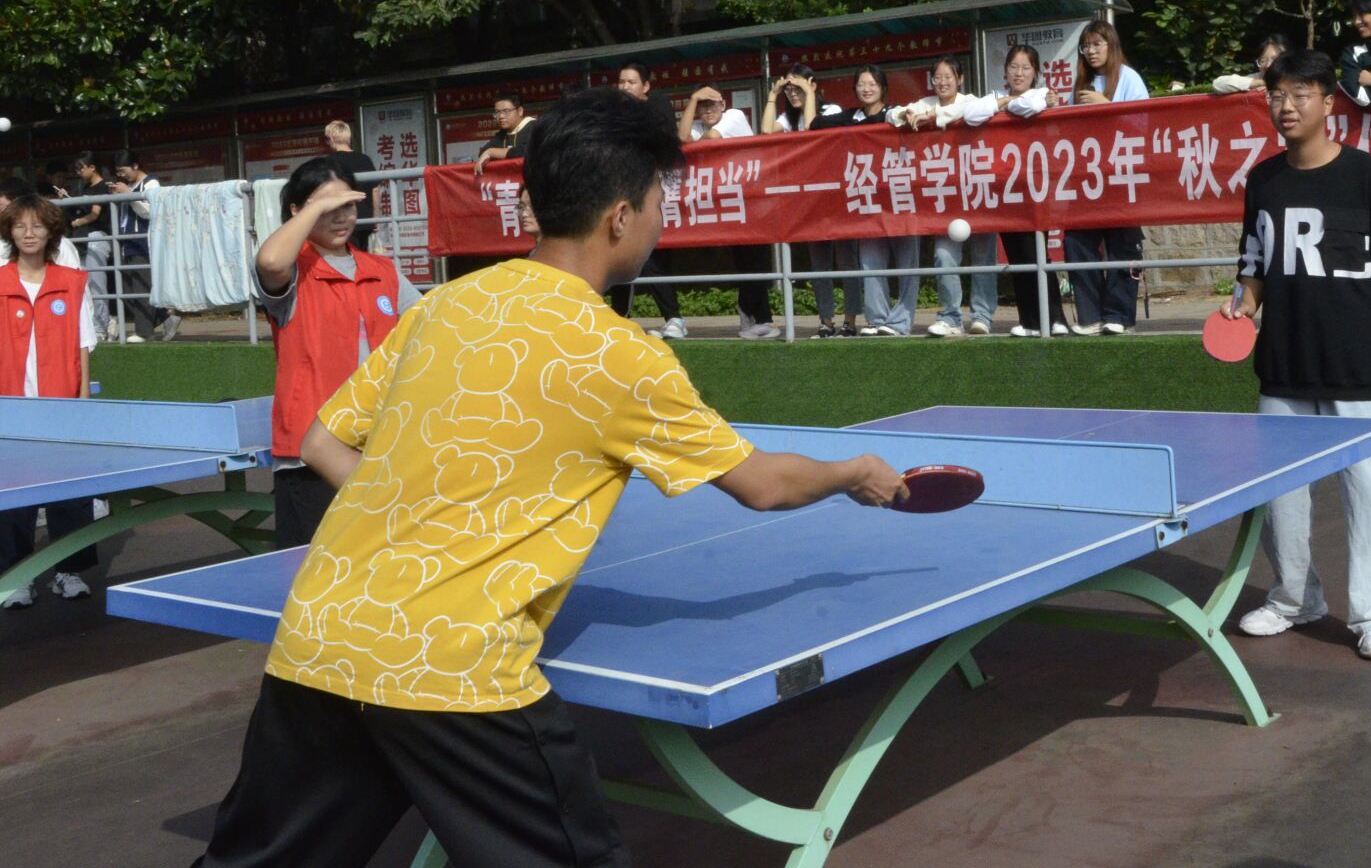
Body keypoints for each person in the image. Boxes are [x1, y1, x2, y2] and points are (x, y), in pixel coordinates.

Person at [192, 88, 908, 867]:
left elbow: (323, 439)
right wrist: (854, 470)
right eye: (658, 202)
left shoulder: (444, 306)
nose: (661, 220)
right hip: (455, 668)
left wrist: (416, 515)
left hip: (320, 635)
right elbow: (763, 484)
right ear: (620, 217)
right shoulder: (620, 356)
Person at [1223, 49, 1371, 662]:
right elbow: (1254, 265)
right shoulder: (1263, 181)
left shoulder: (1368, 178)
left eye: (1299, 95)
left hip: (1361, 371)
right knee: (1280, 501)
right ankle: (1294, 599)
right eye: (1276, 95)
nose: (1285, 106)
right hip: (1283, 371)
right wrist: (1241, 307)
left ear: (1329, 103)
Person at [254, 155, 423, 549]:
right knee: (312, 569)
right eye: (327, 207)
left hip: (379, 447)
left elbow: (429, 328)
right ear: (297, 211)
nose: (341, 216)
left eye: (347, 205)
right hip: (310, 456)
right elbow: (271, 260)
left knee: (378, 561)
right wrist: (315, 209)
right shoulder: (293, 271)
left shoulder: (383, 270)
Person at [0, 193, 100, 609]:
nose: (28, 233)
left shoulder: (71, 283)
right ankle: (16, 575)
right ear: (10, 233)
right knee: (12, 495)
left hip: (62, 406)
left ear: (51, 232)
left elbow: (83, 344)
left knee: (69, 491)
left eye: (37, 226)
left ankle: (68, 571)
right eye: (20, 226)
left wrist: (83, 400)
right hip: (10, 407)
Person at [966, 44, 1067, 336]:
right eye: (1013, 67)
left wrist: (1006, 105)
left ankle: (1056, 319)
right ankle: (1030, 322)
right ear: (1005, 71)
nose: (1019, 73)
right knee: (1017, 258)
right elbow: (971, 114)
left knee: (1038, 255)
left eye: (1025, 68)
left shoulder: (1041, 93)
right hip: (1005, 191)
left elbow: (1030, 107)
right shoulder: (995, 96)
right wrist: (1004, 102)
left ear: (1035, 72)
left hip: (1035, 189)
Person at [893, 56, 995, 336]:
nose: (942, 82)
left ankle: (982, 316)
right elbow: (893, 114)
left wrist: (932, 117)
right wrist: (905, 115)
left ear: (960, 79)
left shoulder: (971, 101)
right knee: (943, 256)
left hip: (976, 189)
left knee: (983, 257)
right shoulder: (924, 103)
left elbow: (968, 111)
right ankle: (951, 317)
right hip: (945, 196)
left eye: (948, 76)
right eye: (937, 77)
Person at [1065, 20, 1150, 335]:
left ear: (1110, 45)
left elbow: (1143, 124)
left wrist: (1108, 106)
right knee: (1076, 242)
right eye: (1086, 46)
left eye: (1097, 44)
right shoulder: (1081, 84)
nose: (1090, 51)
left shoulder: (1129, 78)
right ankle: (1089, 316)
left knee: (1123, 244)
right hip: (1087, 177)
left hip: (1121, 175)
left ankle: (1119, 315)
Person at [679, 86, 778, 340]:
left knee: (757, 260)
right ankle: (756, 317)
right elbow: (682, 137)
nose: (708, 110)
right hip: (727, 205)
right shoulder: (697, 126)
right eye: (703, 106)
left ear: (723, 105)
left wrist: (694, 145)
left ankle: (758, 317)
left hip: (753, 201)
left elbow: (711, 138)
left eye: (712, 104)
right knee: (744, 261)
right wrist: (693, 98)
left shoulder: (734, 115)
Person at [763, 65, 851, 338]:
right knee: (819, 264)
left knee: (847, 261)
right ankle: (826, 322)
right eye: (789, 90)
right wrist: (773, 94)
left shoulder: (832, 110)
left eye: (797, 88)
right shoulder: (789, 118)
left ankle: (850, 321)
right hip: (809, 201)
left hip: (837, 197)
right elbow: (766, 132)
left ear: (812, 85)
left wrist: (808, 93)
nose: (792, 94)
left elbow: (814, 129)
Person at [811, 64, 895, 337]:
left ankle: (896, 321)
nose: (866, 89)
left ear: (883, 87)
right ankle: (870, 320)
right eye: (861, 84)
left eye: (872, 84)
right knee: (866, 262)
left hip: (893, 198)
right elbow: (815, 125)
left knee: (902, 264)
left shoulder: (893, 113)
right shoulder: (850, 116)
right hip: (858, 198)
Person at [610, 64, 686, 339]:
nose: (624, 87)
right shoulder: (614, 111)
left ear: (646, 86)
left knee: (649, 254)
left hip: (651, 193)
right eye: (621, 82)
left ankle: (674, 318)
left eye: (631, 82)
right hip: (621, 192)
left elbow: (665, 142)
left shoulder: (657, 106)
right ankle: (619, 317)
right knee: (618, 252)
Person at [108, 149, 174, 342]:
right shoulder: (127, 185)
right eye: (118, 172)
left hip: (143, 242)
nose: (121, 175)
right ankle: (166, 317)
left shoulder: (151, 182)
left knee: (141, 288)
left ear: (135, 166)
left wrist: (129, 195)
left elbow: (151, 212)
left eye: (124, 170)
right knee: (127, 291)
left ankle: (144, 332)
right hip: (126, 243)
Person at [67, 152, 114, 338]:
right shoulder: (86, 187)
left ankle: (101, 326)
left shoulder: (103, 186)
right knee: (85, 283)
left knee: (96, 282)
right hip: (84, 237)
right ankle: (94, 325)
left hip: (97, 236)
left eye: (80, 168)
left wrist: (77, 222)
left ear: (92, 167)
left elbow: (94, 214)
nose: (78, 172)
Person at [324, 120, 378, 251]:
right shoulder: (365, 159)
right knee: (362, 255)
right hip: (366, 218)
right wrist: (375, 218)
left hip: (342, 219)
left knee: (346, 255)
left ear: (331, 138)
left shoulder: (330, 162)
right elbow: (375, 190)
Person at [471, 94, 537, 176]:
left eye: (506, 111)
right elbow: (483, 152)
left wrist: (491, 152)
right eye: (497, 112)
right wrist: (489, 152)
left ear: (520, 111)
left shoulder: (536, 127)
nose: (501, 116)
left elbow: (529, 151)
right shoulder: (502, 134)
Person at [1211, 34, 1290, 95]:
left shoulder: (1294, 77)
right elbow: (1218, 84)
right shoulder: (1258, 78)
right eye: (1262, 60)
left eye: (1274, 59)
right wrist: (1260, 83)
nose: (1267, 65)